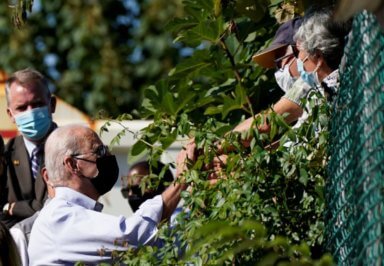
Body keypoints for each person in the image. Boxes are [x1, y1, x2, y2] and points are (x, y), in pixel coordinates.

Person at [28, 124, 194, 265]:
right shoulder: (59, 218)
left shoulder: (73, 214)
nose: (108, 156)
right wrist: (182, 179)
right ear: (73, 164)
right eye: (99, 151)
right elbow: (133, 236)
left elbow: (153, 247)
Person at [0, 68, 57, 228]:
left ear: (51, 104)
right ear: (10, 114)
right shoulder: (6, 153)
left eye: (37, 104)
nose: (30, 112)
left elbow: (61, 208)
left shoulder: (73, 148)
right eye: (22, 108)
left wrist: (13, 208)